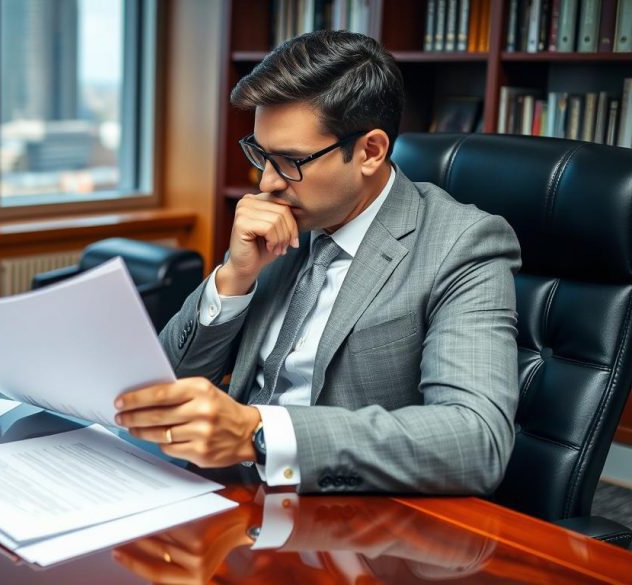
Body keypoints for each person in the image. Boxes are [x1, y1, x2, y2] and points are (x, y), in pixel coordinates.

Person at [113, 30, 521, 494]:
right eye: (261, 155)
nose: (267, 182)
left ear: (370, 151)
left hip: (352, 525)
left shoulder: (464, 244)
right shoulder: (279, 225)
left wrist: (259, 435)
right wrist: (234, 279)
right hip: (225, 497)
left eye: (289, 160)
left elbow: (476, 440)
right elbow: (166, 392)